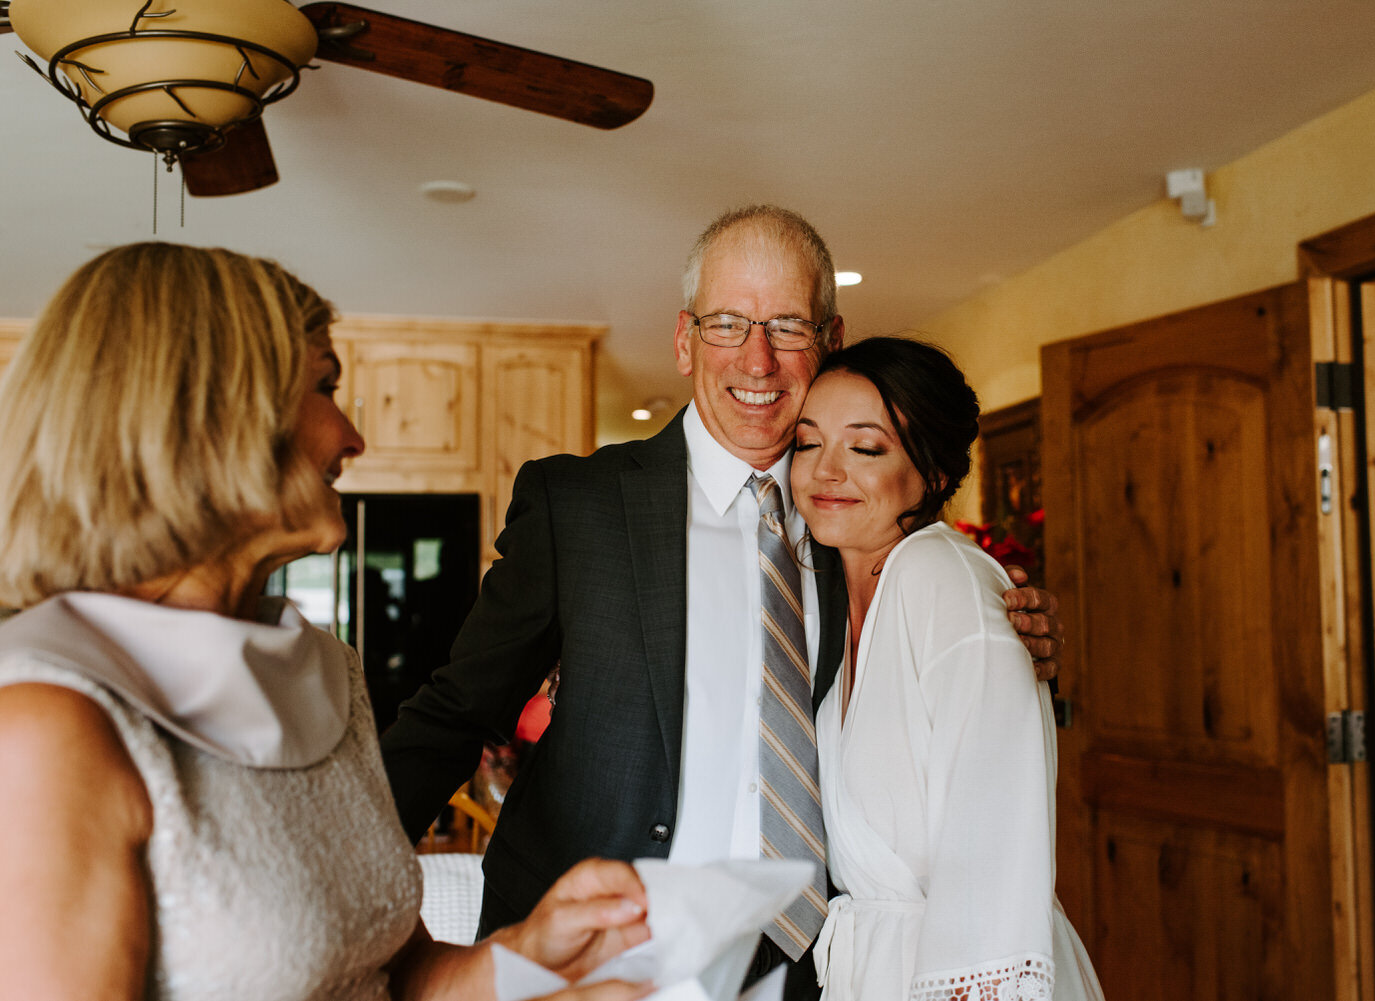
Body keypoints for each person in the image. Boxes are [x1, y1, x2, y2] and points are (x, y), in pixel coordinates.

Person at [380, 206, 1064, 1000]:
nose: (758, 359)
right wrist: (335, 872)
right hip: (594, 960)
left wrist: (1020, 648)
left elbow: (953, 721)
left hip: (821, 972)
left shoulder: (868, 530)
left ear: (831, 340)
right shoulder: (581, 506)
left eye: (787, 326)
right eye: (728, 323)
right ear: (683, 339)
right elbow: (456, 711)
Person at [0, 243, 650, 1001]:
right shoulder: (51, 724)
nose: (353, 436)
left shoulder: (326, 674)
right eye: (325, 387)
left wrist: (530, 953)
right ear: (208, 409)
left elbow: (396, 973)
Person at [789, 336, 1102, 1000]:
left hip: (962, 968)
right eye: (808, 443)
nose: (825, 471)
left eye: (865, 447)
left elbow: (996, 842)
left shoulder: (945, 581)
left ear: (932, 472)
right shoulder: (829, 597)